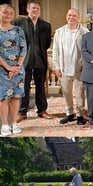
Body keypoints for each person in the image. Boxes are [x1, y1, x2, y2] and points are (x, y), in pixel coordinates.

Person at [14, 0, 52, 122]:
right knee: (24, 87)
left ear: (40, 11)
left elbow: (46, 44)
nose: (35, 10)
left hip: (40, 60)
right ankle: (22, 112)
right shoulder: (18, 23)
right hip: (24, 61)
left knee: (40, 87)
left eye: (37, 9)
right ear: (28, 10)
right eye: (33, 8)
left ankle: (42, 110)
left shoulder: (46, 25)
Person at [52, 8, 89, 126]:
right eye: (69, 15)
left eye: (74, 16)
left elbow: (89, 50)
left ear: (78, 18)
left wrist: (86, 65)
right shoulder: (59, 32)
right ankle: (69, 113)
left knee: (79, 93)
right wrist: (56, 66)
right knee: (66, 92)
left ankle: (79, 114)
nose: (71, 17)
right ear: (66, 16)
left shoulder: (85, 32)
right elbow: (55, 51)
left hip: (79, 68)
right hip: (64, 68)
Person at [0, 4, 25, 137]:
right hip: (2, 70)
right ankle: (4, 125)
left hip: (17, 69)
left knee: (15, 97)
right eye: (5, 12)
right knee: (3, 97)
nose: (8, 15)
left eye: (11, 13)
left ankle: (14, 123)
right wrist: (8, 67)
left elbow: (23, 49)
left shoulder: (18, 30)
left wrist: (17, 67)